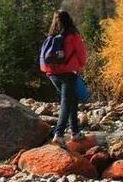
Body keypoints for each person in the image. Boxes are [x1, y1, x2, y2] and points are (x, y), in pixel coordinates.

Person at [42, 10, 87, 146]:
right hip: (68, 73)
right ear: (69, 20)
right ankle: (59, 133)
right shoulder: (73, 36)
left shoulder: (50, 37)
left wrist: (50, 72)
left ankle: (75, 132)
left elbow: (43, 58)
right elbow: (82, 56)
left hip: (52, 74)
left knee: (71, 100)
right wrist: (77, 66)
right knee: (66, 103)